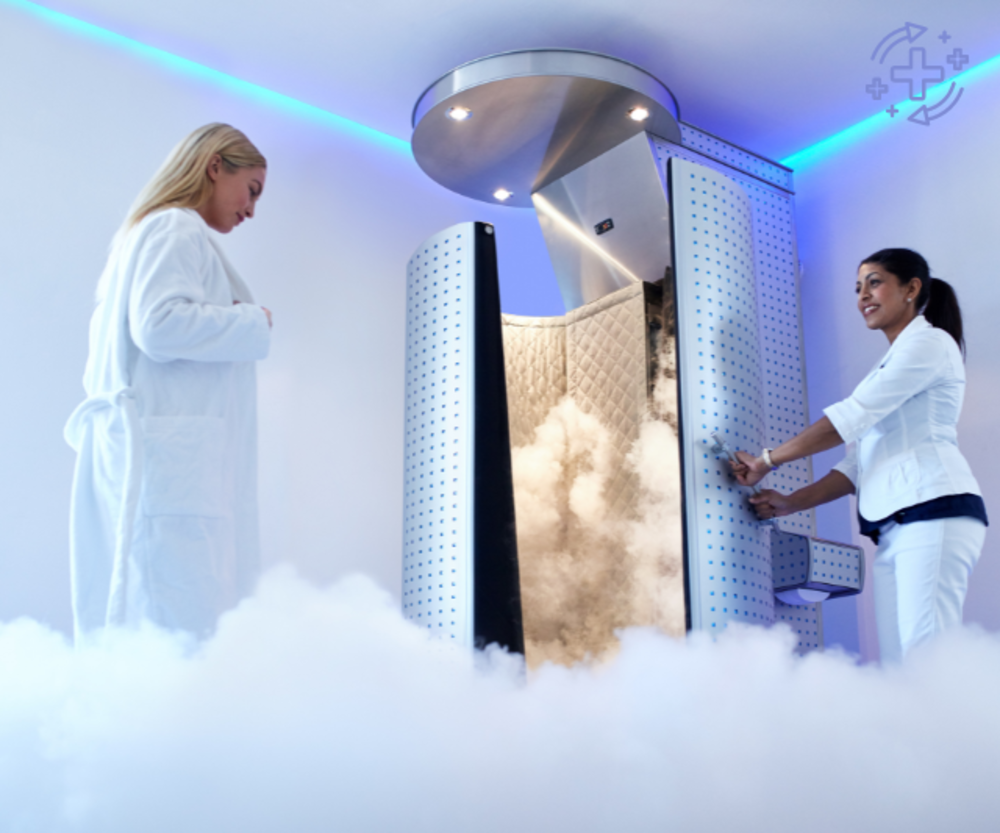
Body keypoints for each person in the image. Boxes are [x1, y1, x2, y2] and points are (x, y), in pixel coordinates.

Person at [64, 123, 272, 641]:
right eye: (252, 190)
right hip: (170, 467)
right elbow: (159, 325)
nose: (251, 210)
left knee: (154, 618)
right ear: (215, 165)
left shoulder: (148, 236)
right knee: (180, 621)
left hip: (160, 459)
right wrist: (253, 321)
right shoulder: (176, 227)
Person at [731, 248, 987, 663]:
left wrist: (767, 460)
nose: (863, 295)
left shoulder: (929, 345)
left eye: (874, 282)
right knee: (898, 666)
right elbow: (857, 465)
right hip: (895, 528)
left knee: (929, 660)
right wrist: (790, 503)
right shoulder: (892, 362)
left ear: (911, 289)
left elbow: (845, 421)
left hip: (934, 511)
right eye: (857, 288)